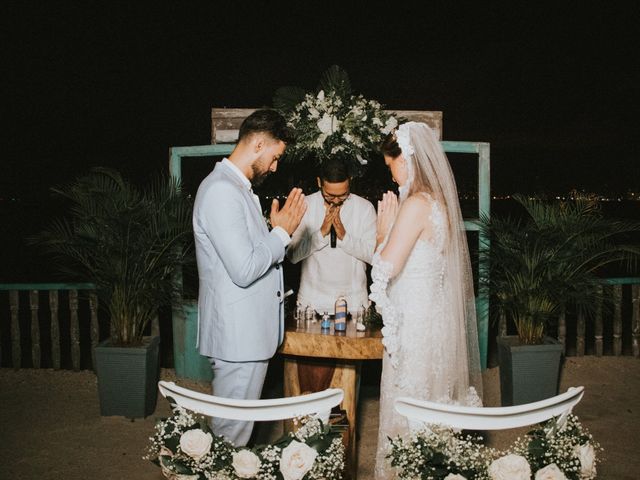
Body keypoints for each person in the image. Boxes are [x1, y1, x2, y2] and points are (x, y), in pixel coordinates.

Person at [369, 122, 483, 478]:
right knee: (431, 412)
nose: (392, 175)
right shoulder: (439, 204)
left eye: (392, 165)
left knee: (408, 414)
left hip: (414, 328)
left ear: (407, 159)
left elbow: (386, 267)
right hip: (435, 321)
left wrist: (381, 234)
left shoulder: (417, 204)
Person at [192, 109, 306, 446]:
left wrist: (273, 232)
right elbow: (243, 270)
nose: (274, 167)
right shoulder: (221, 191)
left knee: (237, 433)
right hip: (237, 338)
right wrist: (281, 234)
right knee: (229, 437)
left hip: (247, 335)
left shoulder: (238, 189)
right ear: (258, 143)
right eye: (275, 157)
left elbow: (247, 255)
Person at [287, 157, 376, 314]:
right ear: (319, 182)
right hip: (312, 303)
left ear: (350, 181)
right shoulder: (305, 205)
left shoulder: (365, 208)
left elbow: (374, 257)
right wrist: (321, 234)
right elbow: (293, 256)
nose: (336, 201)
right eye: (329, 196)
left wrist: (344, 237)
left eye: (342, 195)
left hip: (354, 304)